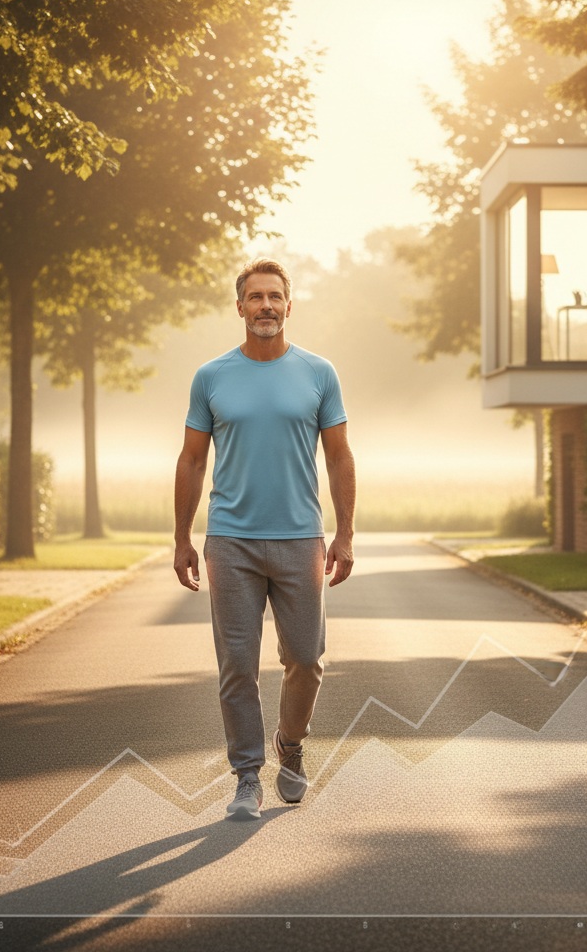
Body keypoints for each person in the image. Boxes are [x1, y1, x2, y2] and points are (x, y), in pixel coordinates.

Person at [173, 256, 356, 821]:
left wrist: (344, 533)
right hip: (230, 541)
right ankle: (247, 776)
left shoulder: (319, 373)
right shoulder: (212, 377)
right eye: (255, 297)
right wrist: (182, 538)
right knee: (237, 664)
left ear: (289, 305)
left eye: (275, 297)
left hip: (302, 540)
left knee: (306, 658)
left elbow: (339, 456)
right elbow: (192, 460)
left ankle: (291, 745)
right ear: (240, 307)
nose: (266, 307)